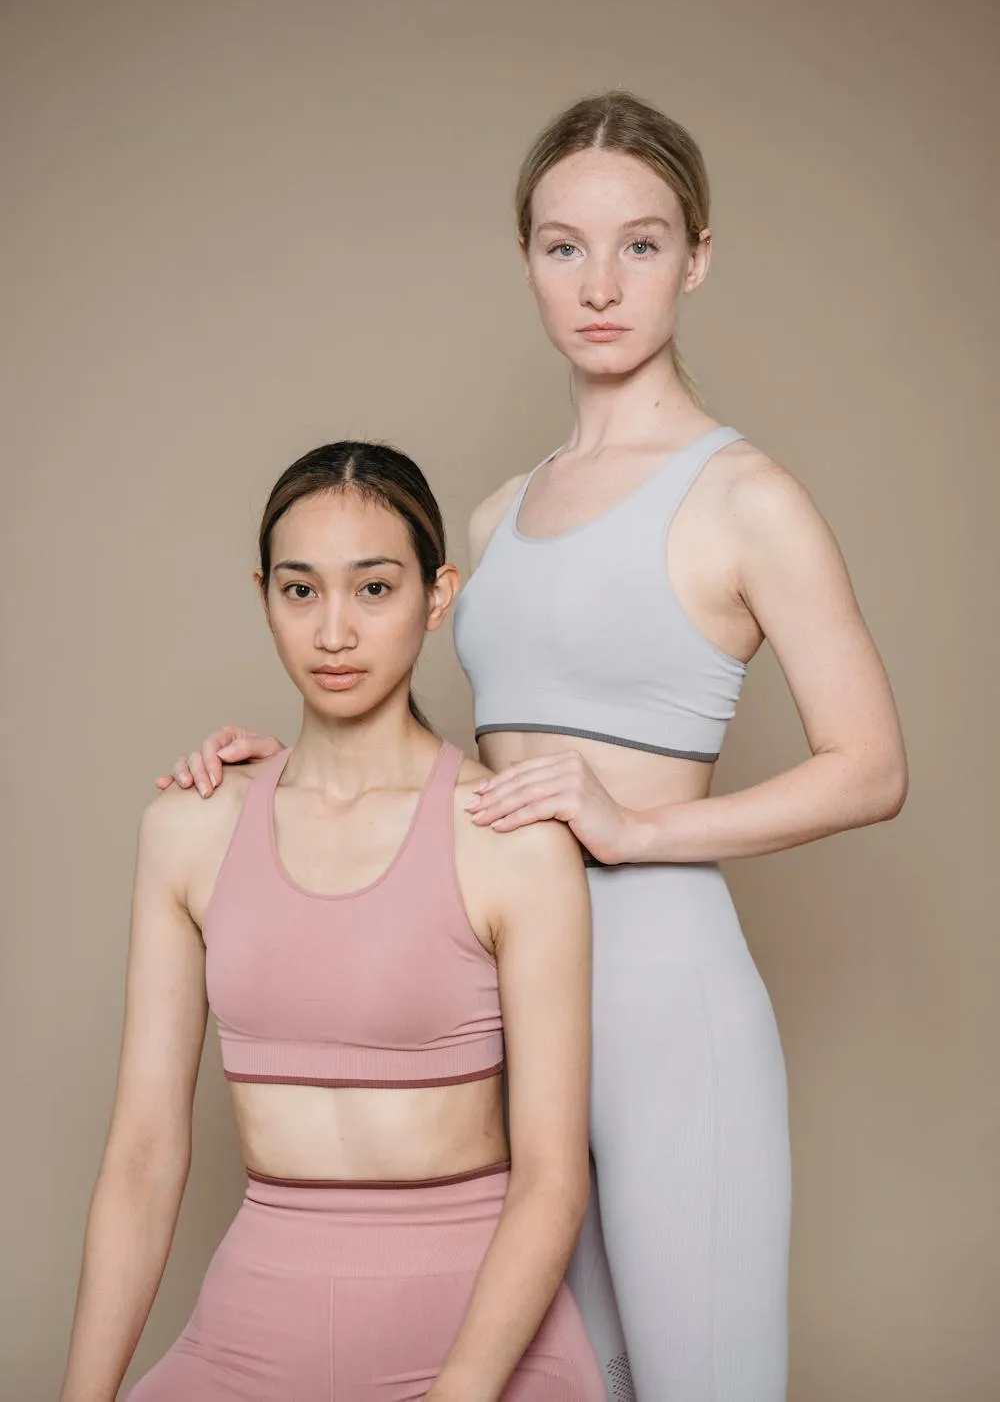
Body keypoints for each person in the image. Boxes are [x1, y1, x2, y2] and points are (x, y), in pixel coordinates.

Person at [160, 92, 908, 1402]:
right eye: (565, 247)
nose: (602, 284)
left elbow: (873, 766)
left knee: (700, 1385)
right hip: (500, 1009)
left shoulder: (748, 497)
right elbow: (455, 765)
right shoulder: (500, 517)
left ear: (700, 256)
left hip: (669, 999)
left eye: (642, 243)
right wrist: (279, 775)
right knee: (567, 1380)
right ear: (527, 264)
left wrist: (642, 830)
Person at [59, 441, 606, 1402]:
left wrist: (462, 1392)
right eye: (301, 591)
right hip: (250, 1328)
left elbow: (554, 1179)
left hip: (475, 1338)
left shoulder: (511, 840)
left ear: (438, 600)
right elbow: (144, 1157)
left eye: (375, 589)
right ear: (263, 594)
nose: (335, 632)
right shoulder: (189, 831)